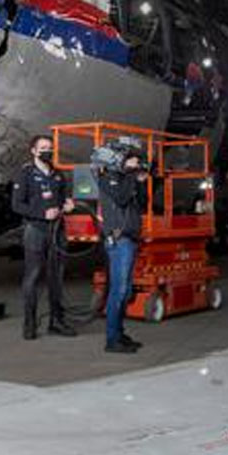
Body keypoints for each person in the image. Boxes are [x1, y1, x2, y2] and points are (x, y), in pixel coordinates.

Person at [11, 135, 75, 340]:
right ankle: (29, 324)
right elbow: (17, 205)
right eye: (43, 148)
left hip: (57, 231)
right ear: (33, 151)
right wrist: (41, 213)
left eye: (50, 147)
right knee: (32, 277)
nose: (48, 151)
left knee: (56, 278)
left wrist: (69, 206)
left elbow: (65, 199)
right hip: (36, 230)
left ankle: (56, 322)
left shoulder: (58, 175)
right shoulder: (26, 174)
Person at [94, 141, 148, 354]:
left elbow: (142, 203)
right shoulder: (109, 179)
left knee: (125, 291)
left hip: (130, 239)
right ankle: (111, 339)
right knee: (119, 290)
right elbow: (122, 199)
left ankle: (119, 333)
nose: (136, 163)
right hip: (119, 240)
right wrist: (134, 177)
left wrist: (141, 182)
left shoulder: (127, 180)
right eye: (133, 160)